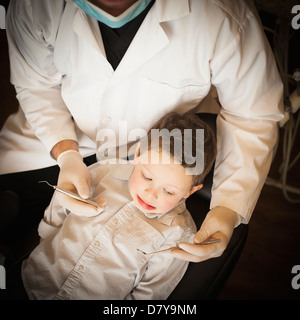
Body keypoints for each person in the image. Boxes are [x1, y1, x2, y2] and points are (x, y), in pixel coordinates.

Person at [0, 0, 284, 265]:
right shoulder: (34, 6)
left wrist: (227, 209)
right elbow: (35, 84)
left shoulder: (221, 14)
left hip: (153, 147)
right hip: (59, 135)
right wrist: (66, 154)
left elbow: (253, 114)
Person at [7, 112, 216, 300]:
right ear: (137, 155)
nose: (151, 194)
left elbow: (151, 293)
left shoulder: (177, 234)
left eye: (169, 191)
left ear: (191, 191)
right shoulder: (105, 170)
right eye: (147, 177)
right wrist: (47, 230)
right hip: (32, 279)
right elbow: (65, 193)